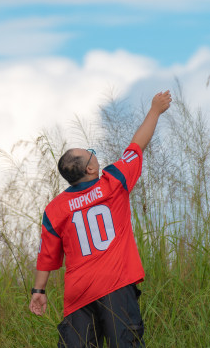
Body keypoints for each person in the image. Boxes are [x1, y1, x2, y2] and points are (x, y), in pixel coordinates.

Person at [29, 91, 172, 348]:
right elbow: (136, 146)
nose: (95, 155)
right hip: (116, 285)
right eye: (91, 153)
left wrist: (38, 291)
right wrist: (155, 110)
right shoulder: (113, 181)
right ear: (91, 169)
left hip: (79, 294)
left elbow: (46, 256)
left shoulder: (55, 209)